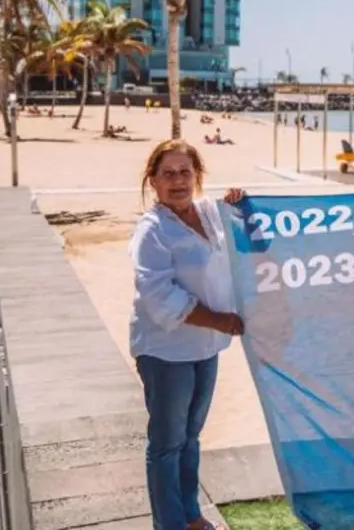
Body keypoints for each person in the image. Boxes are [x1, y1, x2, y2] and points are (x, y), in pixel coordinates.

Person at [130, 139, 246, 530]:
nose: (178, 181)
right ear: (154, 180)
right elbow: (159, 296)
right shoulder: (152, 230)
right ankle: (169, 524)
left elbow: (245, 232)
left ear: (197, 176)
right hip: (165, 352)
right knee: (166, 444)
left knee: (191, 436)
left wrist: (241, 202)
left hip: (205, 348)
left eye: (185, 172)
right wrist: (221, 321)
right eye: (168, 174)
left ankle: (191, 513)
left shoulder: (212, 213)